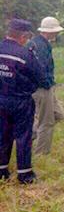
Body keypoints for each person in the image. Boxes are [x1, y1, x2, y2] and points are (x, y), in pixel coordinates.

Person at [0, 19, 45, 184]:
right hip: (20, 101)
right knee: (23, 137)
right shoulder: (25, 54)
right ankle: (25, 174)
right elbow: (40, 78)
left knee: (2, 135)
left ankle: (2, 171)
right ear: (24, 36)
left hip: (1, 99)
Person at [28, 17, 64, 155]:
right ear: (49, 32)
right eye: (55, 31)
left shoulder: (35, 43)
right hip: (42, 88)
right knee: (47, 122)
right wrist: (47, 85)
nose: (56, 34)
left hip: (42, 87)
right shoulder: (41, 46)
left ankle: (32, 133)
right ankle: (41, 154)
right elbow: (40, 70)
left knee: (58, 115)